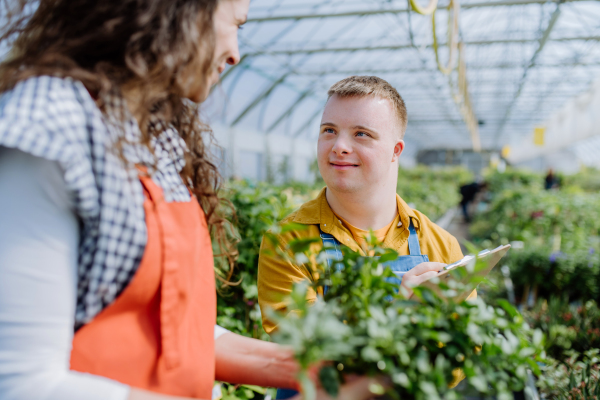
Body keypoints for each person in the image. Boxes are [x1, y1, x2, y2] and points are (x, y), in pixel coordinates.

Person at [0, 1, 381, 399]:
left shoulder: (154, 137)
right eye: (233, 24)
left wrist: (325, 371)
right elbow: (21, 384)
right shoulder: (51, 125)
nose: (235, 52)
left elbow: (181, 334)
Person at [257, 76, 476, 399]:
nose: (339, 146)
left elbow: (460, 360)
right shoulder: (289, 241)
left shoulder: (440, 245)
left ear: (395, 151)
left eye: (362, 134)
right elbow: (307, 354)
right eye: (328, 130)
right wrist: (404, 315)